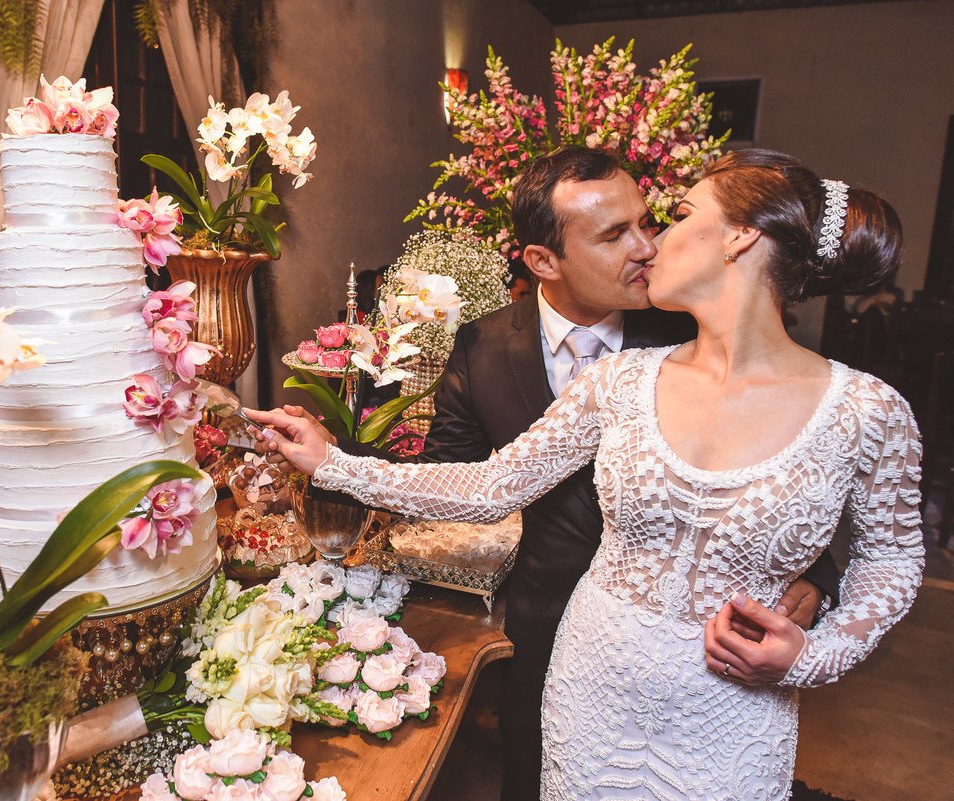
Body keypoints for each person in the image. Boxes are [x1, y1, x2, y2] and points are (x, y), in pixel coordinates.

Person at [247, 149, 923, 800]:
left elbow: (891, 558)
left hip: (733, 716)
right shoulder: (620, 381)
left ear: (741, 238)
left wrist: (810, 654)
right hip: (592, 684)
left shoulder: (867, 410)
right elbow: (492, 484)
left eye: (678, 215)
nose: (654, 243)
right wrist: (333, 462)